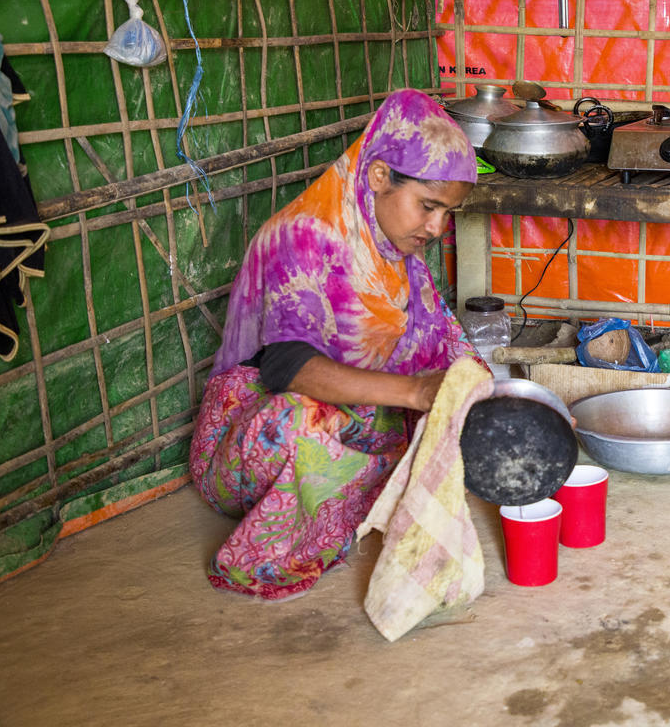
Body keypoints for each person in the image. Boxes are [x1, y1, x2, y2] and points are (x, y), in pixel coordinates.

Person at [189, 89, 486, 601]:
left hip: (355, 413)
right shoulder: (301, 237)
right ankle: (339, 501)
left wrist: (490, 397)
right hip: (255, 434)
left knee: (452, 402)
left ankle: (358, 485)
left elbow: (443, 341)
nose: (437, 228)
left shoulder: (392, 247)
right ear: (377, 177)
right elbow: (288, 368)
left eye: (448, 213)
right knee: (303, 421)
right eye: (429, 207)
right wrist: (416, 393)